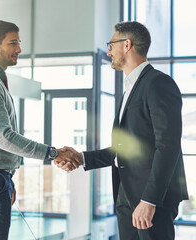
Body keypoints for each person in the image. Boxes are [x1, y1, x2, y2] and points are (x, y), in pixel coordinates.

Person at [56, 21, 188, 240]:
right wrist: (81, 158)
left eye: (111, 44)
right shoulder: (129, 88)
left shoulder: (158, 84)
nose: (108, 51)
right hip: (126, 194)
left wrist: (149, 200)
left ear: (127, 45)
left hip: (151, 199)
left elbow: (168, 146)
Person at [0, 20, 76, 240]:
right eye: (12, 43)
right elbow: (5, 138)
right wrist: (52, 153)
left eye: (18, 42)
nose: (19, 49)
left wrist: (8, 177)